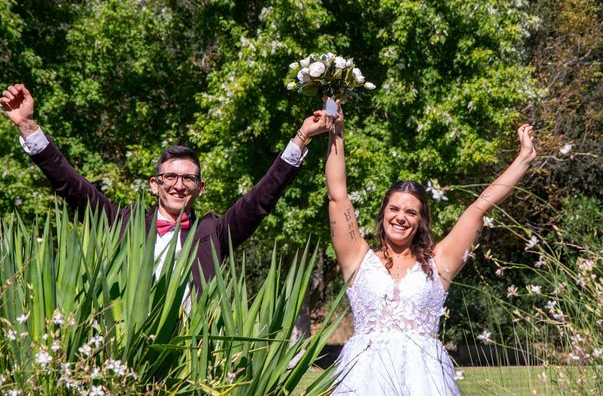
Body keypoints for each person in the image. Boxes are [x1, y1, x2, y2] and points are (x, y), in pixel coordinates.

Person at [1, 83, 333, 294]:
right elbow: (72, 187)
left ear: (200, 188)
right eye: (169, 177)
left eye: (188, 178)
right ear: (154, 184)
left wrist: (301, 138)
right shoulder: (125, 224)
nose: (178, 185)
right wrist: (29, 127)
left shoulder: (213, 232)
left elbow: (260, 200)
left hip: (194, 362)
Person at [325, 105, 536, 395]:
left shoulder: (439, 262)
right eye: (394, 208)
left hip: (425, 380)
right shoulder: (357, 259)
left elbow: (480, 206)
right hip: (363, 379)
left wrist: (524, 158)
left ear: (420, 220)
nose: (401, 217)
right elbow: (338, 195)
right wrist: (336, 130)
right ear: (383, 213)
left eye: (411, 212)